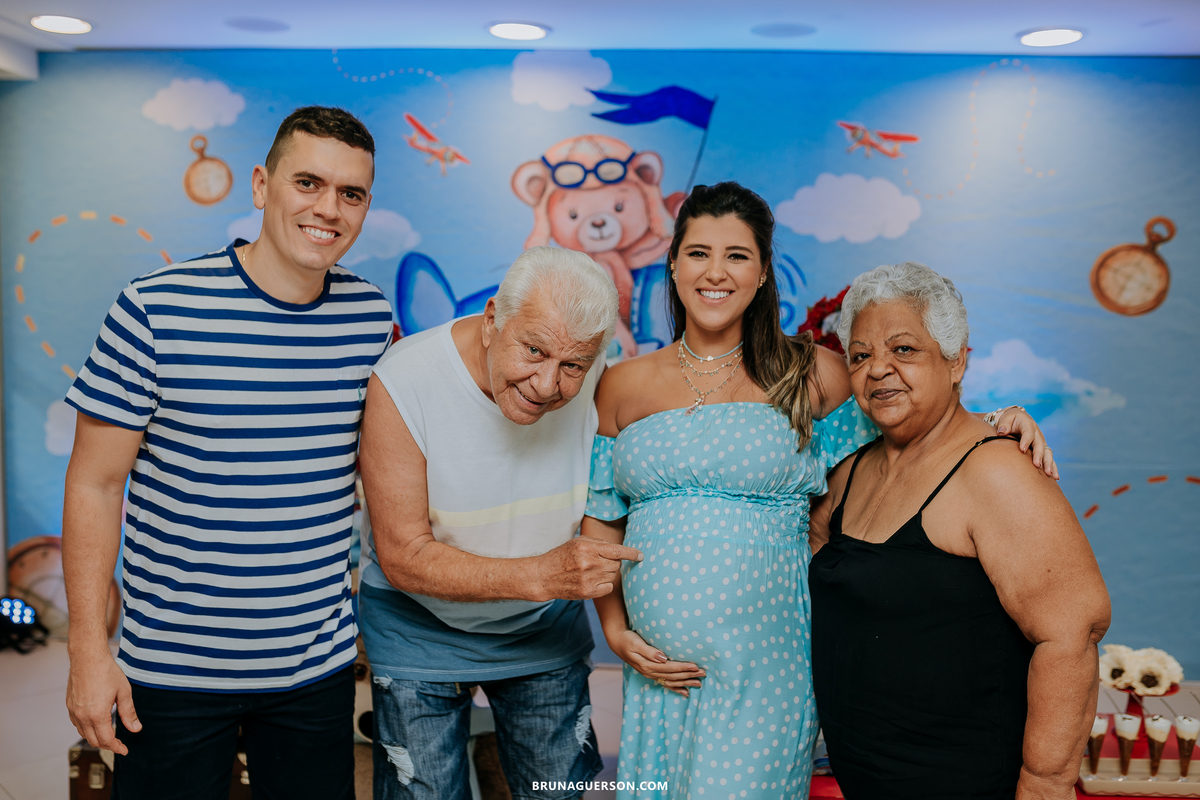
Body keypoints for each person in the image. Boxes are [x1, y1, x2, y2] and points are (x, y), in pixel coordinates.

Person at [580, 182, 1055, 800]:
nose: (715, 272)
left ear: (762, 274)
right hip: (656, 676)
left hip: (767, 665)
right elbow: (601, 521)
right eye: (698, 253)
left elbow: (910, 419)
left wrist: (995, 420)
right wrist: (616, 631)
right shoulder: (618, 385)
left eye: (737, 255)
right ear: (673, 264)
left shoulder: (811, 373)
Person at [62, 106, 391, 800]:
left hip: (314, 670)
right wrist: (88, 650)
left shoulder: (370, 319)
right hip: (169, 671)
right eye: (308, 183)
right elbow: (95, 484)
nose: (328, 209)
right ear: (262, 186)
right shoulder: (153, 308)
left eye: (351, 193)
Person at [808, 261, 1111, 800]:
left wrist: (1045, 784)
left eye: (903, 349)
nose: (878, 369)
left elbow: (1072, 633)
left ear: (956, 362)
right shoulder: (849, 473)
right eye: (860, 355)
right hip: (864, 777)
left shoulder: (996, 472)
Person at [357, 246, 633, 800]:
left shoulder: (601, 374)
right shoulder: (404, 379)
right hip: (418, 627)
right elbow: (404, 557)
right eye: (534, 350)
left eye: (572, 366)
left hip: (543, 629)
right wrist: (542, 576)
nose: (547, 384)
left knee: (556, 791)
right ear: (491, 321)